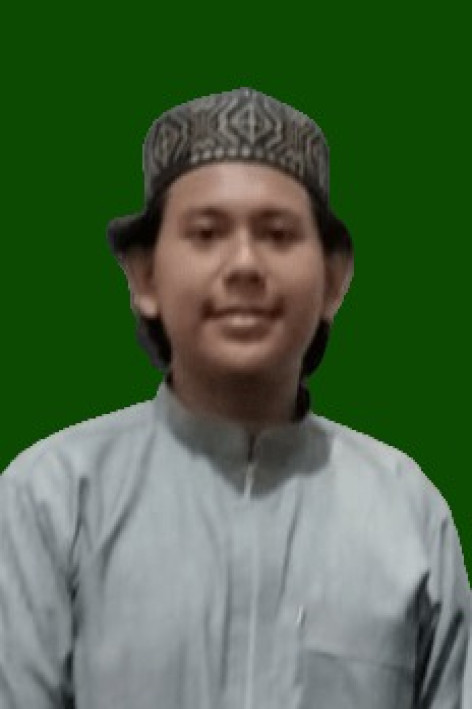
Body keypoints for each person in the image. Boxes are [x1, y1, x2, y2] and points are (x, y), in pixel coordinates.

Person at [0, 87, 469, 708]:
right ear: (145, 276)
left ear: (333, 280)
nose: (244, 264)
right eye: (206, 233)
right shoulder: (52, 501)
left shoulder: (406, 513)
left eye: (278, 234)